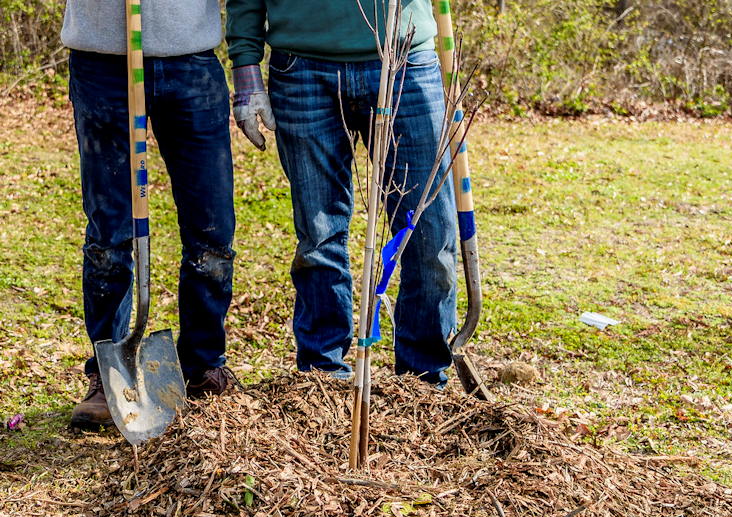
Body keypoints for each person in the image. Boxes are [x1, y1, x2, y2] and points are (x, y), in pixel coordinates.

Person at [226, 0, 457, 385]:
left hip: (405, 62)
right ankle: (323, 378)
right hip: (302, 67)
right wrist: (245, 64)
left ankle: (423, 382)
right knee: (319, 237)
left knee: (428, 233)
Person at [62, 0, 237, 430]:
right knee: (110, 234)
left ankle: (202, 365)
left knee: (211, 230)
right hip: (102, 63)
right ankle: (109, 375)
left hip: (192, 62)